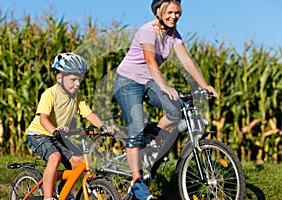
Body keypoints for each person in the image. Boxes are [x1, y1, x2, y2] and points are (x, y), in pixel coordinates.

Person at [114, 0, 218, 199]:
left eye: (177, 12)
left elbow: (187, 61)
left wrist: (204, 85)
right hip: (128, 81)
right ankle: (136, 182)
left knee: (176, 109)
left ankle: (151, 147)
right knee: (135, 128)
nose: (174, 16)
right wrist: (164, 86)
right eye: (170, 12)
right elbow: (150, 61)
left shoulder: (173, 35)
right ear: (159, 11)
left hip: (148, 80)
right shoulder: (147, 31)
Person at [27, 52, 114, 200]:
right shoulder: (50, 94)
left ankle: (62, 193)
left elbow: (88, 113)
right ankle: (48, 197)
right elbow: (43, 119)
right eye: (73, 79)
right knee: (54, 158)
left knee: (79, 163)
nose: (77, 84)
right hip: (40, 134)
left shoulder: (76, 96)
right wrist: (54, 130)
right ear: (59, 78)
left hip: (59, 135)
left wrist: (102, 126)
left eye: (79, 79)